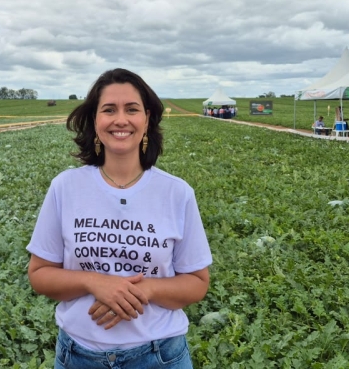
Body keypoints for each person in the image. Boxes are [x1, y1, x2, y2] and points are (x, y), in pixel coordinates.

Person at [26, 68, 212, 369]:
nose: (120, 120)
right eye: (109, 110)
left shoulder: (176, 193)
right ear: (95, 121)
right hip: (77, 357)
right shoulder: (66, 187)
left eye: (132, 109)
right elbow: (39, 274)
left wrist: (145, 290)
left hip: (159, 357)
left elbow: (197, 283)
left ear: (147, 119)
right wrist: (93, 282)